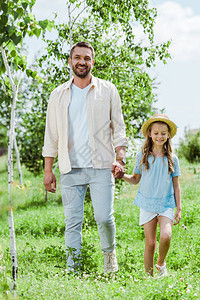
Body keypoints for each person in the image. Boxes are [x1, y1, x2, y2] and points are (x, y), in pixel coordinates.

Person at [42, 41, 128, 273]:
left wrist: (120, 157)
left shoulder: (107, 90)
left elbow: (118, 127)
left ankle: (110, 258)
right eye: (77, 57)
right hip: (70, 167)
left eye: (87, 58)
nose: (82, 62)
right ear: (70, 61)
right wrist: (48, 170)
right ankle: (74, 268)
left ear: (93, 61)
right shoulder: (58, 94)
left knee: (103, 217)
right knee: (72, 223)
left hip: (101, 165)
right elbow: (51, 134)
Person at [120, 113, 181, 276]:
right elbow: (135, 180)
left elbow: (176, 185)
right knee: (150, 243)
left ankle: (160, 263)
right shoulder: (143, 156)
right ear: (149, 134)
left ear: (168, 135)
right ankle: (149, 277)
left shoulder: (172, 159)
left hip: (166, 204)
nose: (159, 136)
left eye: (163, 133)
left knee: (166, 236)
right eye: (156, 133)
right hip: (147, 204)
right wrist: (121, 176)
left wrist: (179, 208)